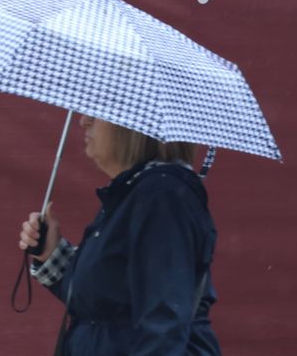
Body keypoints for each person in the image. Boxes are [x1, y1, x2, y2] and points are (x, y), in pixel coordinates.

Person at [15, 114, 219, 355]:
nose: (84, 121)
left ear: (134, 125)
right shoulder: (134, 193)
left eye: (98, 113)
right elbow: (103, 304)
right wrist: (51, 254)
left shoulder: (163, 198)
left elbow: (164, 320)